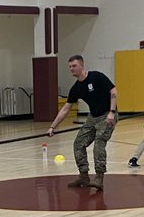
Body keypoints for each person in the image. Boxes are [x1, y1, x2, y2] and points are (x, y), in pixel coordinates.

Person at [46, 54, 117, 190]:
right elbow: (65, 109)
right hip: (93, 117)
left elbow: (113, 91)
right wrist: (52, 127)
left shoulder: (96, 77)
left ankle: (99, 178)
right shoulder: (76, 88)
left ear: (82, 65)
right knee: (78, 144)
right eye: (70, 67)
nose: (71, 69)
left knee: (99, 144)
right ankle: (83, 176)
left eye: (74, 66)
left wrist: (112, 112)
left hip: (107, 115)